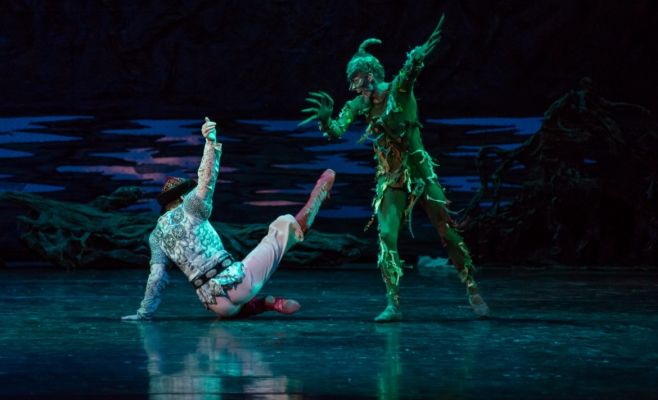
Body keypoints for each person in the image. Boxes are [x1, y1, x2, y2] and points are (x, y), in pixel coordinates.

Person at [300, 15, 489, 322]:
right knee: (387, 236)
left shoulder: (397, 90)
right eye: (352, 80)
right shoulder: (360, 105)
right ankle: (393, 303)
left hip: (420, 172)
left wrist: (416, 57)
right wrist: (325, 120)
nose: (353, 86)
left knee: (446, 230)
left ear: (370, 76)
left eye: (357, 79)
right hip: (390, 178)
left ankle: (471, 286)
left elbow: (409, 72)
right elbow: (337, 129)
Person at [122, 118, 335, 320]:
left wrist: (143, 313)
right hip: (234, 281)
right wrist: (210, 143)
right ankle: (318, 194)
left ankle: (266, 304)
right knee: (283, 225)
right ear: (181, 197)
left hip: (214, 303)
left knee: (236, 309)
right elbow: (207, 179)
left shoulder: (156, 236)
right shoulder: (190, 206)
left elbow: (157, 277)